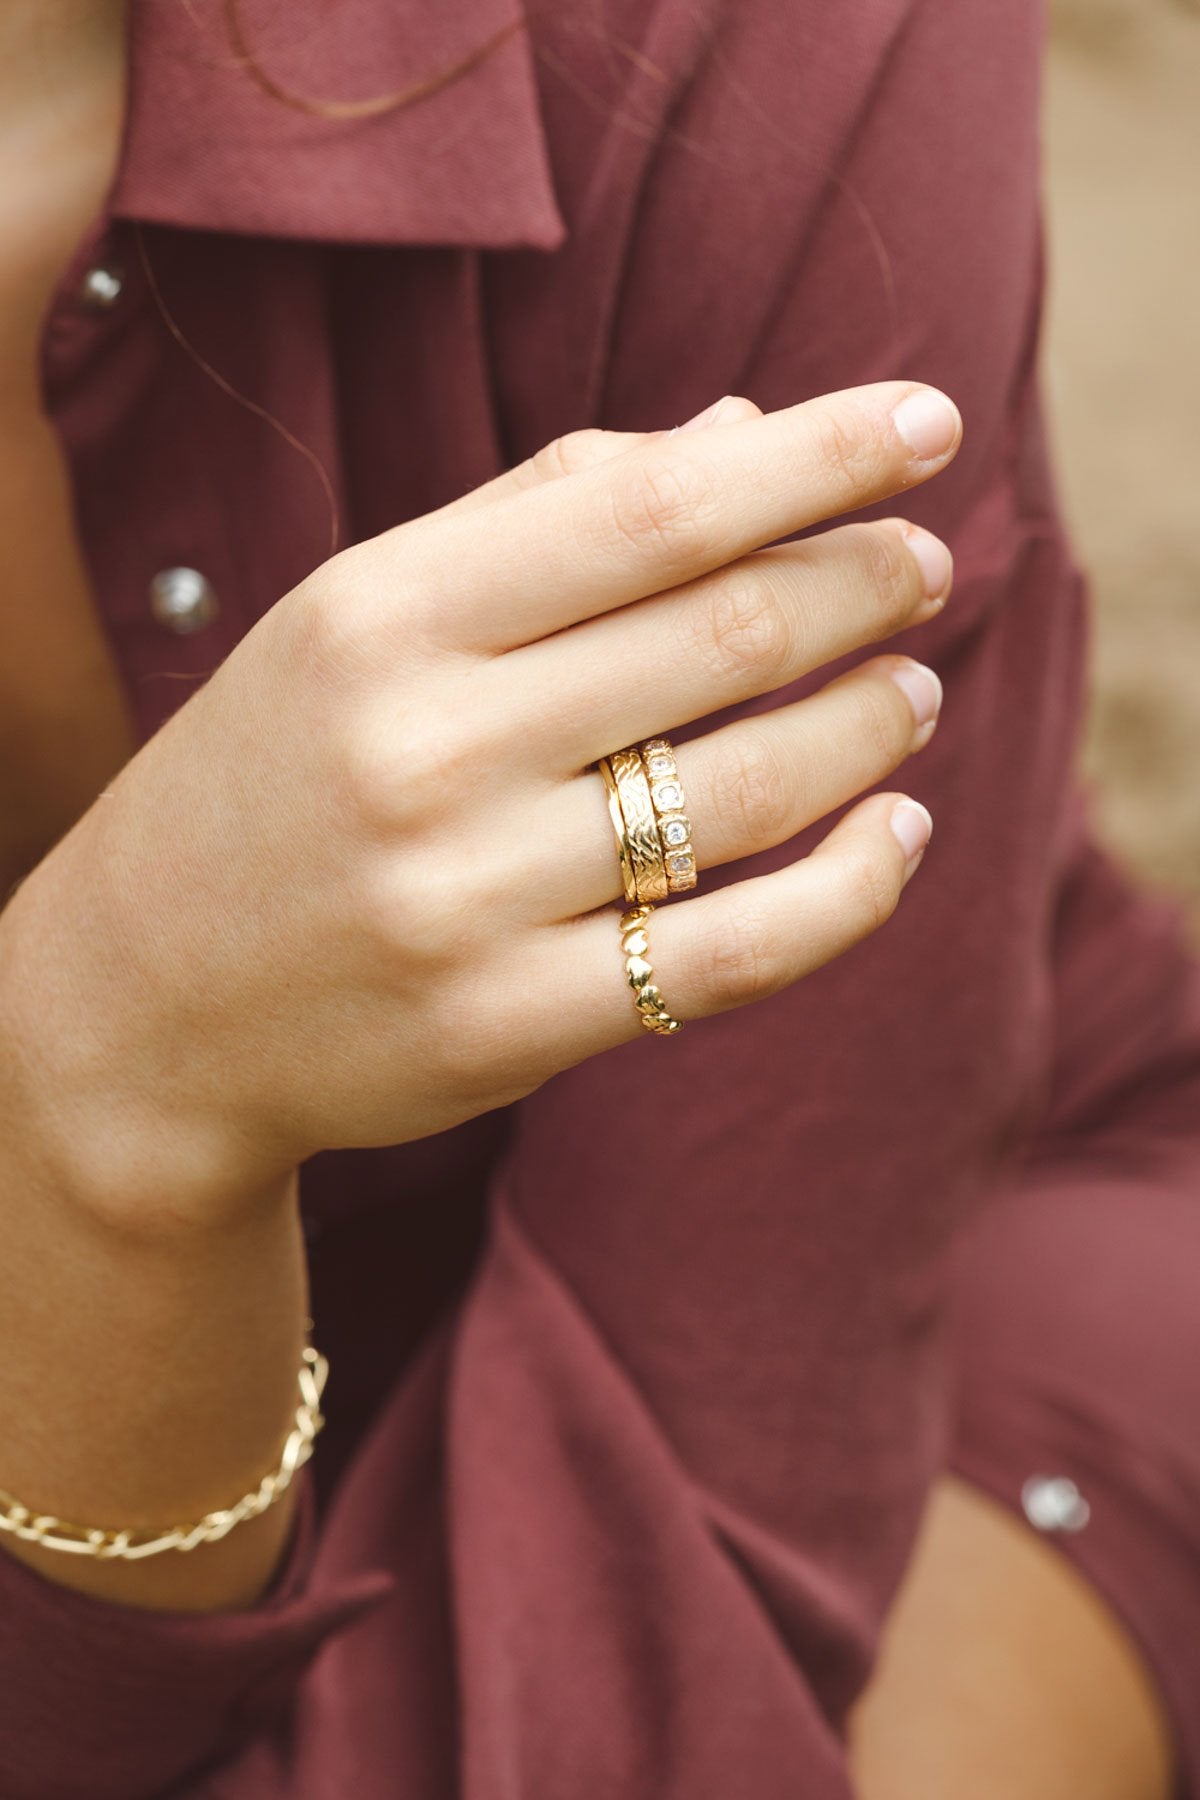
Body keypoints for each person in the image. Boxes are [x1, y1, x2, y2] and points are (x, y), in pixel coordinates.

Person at [0, 1, 1197, 1795]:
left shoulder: (741, 39)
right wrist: (98, 1096)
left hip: (876, 1265)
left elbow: (659, 1656)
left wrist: (116, 1082)